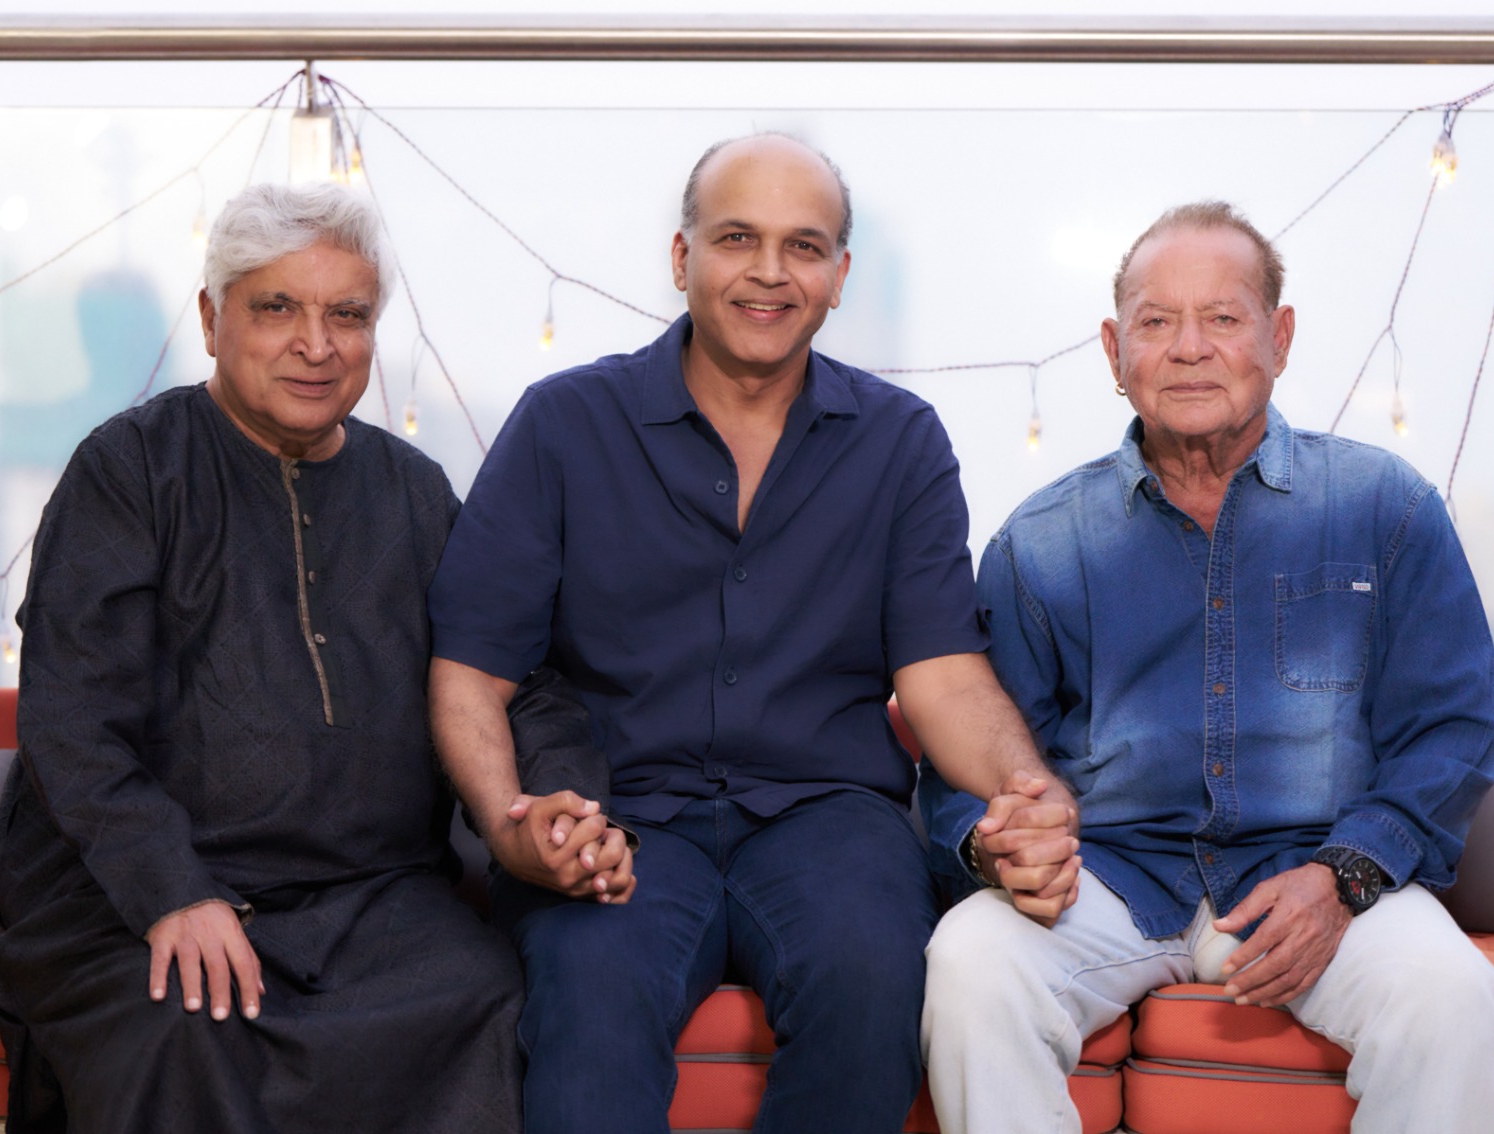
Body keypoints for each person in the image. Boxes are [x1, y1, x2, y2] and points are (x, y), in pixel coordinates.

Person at [426, 132, 1069, 1134]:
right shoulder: (563, 424)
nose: (770, 271)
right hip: (619, 814)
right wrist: (513, 827)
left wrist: (1027, 794)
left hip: (830, 819)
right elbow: (471, 673)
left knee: (874, 988)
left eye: (803, 246)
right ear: (682, 258)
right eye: (737, 238)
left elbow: (945, 677)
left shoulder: (900, 442)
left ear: (839, 277)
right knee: (590, 1012)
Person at [920, 200, 1494, 1133]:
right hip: (1107, 879)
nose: (1190, 348)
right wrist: (995, 846)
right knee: (970, 962)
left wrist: (1345, 876)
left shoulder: (1385, 507)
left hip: (1317, 872)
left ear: (1279, 338)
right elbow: (967, 764)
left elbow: (1448, 734)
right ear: (1115, 351)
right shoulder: (1039, 543)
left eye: (1223, 318)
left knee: (1454, 1001)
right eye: (1157, 322)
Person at [0, 182, 530, 1134]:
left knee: (486, 999)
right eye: (278, 307)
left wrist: (551, 801)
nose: (317, 345)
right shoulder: (128, 470)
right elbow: (73, 722)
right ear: (211, 319)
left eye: (347, 315)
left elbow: (505, 675)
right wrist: (173, 892)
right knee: (183, 1025)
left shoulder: (414, 493)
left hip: (370, 899)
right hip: (134, 893)